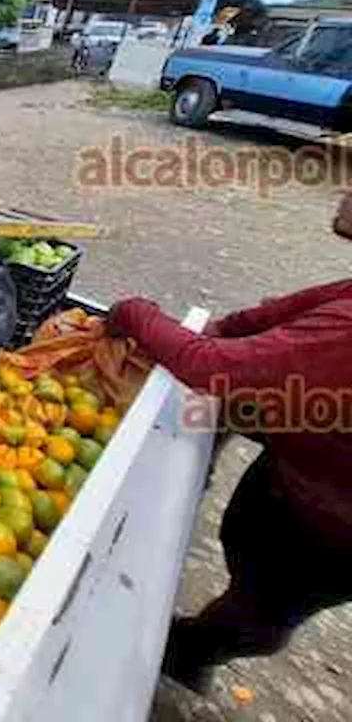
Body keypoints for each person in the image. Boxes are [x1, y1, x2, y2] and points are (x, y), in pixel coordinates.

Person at [108, 192, 352, 693]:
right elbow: (270, 320)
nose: (344, 188)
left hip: (334, 529)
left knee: (265, 612)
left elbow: (214, 368)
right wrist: (219, 331)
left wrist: (135, 314)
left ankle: (190, 650)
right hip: (308, 457)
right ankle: (188, 484)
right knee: (221, 414)